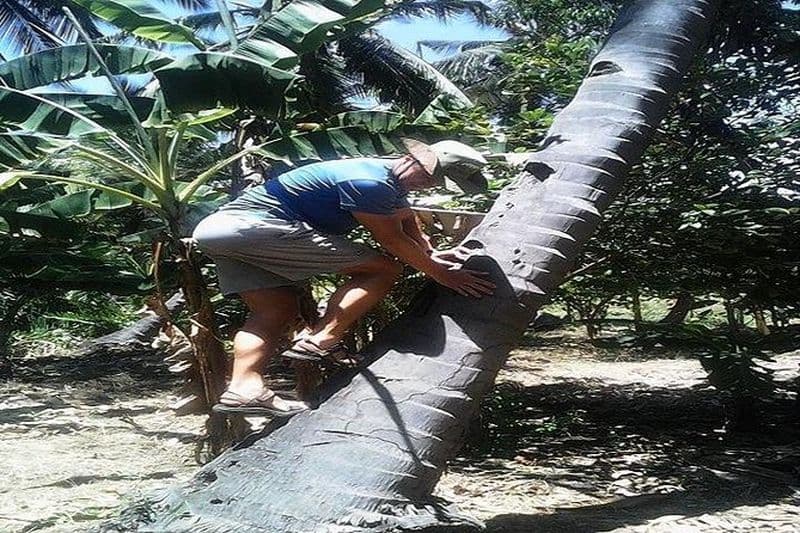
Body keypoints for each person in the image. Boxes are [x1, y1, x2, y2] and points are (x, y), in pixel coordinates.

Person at [192, 140, 496, 416]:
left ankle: (244, 388)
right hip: (254, 227)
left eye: (435, 182)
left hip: (217, 232)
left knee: (274, 310)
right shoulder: (369, 182)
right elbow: (392, 240)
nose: (427, 185)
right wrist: (444, 276)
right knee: (385, 268)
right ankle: (322, 339)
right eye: (428, 177)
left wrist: (430, 254)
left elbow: (406, 219)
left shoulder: (383, 177)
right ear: (410, 159)